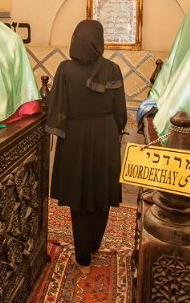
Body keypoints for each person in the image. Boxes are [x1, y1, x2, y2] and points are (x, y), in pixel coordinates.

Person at [45, 19, 128, 274]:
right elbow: (121, 113)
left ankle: (83, 259)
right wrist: (113, 129)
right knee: (102, 193)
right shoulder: (112, 69)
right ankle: (94, 245)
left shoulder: (65, 69)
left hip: (75, 140)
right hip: (104, 137)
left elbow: (55, 105)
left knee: (78, 199)